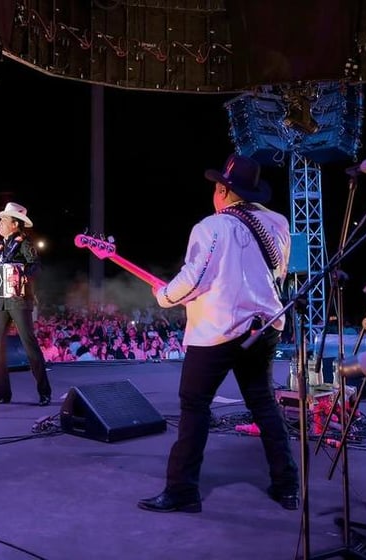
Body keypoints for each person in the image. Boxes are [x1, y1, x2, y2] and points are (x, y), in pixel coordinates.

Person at [138, 154, 299, 513]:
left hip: (218, 331)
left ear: (225, 191)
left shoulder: (211, 227)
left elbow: (195, 277)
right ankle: (287, 485)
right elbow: (279, 273)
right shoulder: (278, 223)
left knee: (194, 406)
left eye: (216, 187)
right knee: (264, 403)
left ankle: (182, 490)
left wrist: (164, 296)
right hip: (264, 327)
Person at [0, 202, 52, 406]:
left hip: (19, 301)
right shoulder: (0, 246)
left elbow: (36, 267)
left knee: (29, 345)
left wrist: (20, 275)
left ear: (14, 224)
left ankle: (44, 392)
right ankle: (1, 393)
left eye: (3, 220)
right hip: (1, 301)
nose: (0, 223)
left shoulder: (24, 243)